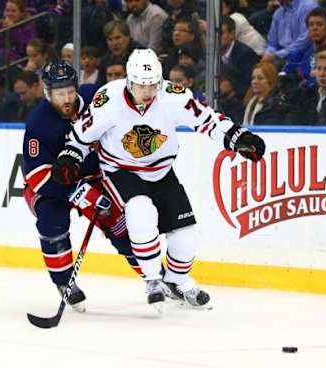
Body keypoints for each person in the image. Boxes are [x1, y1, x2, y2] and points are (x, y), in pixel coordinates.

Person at [53, 49, 265, 308]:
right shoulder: (108, 100)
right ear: (130, 81)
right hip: (122, 171)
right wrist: (69, 159)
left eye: (152, 84)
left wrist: (238, 138)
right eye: (141, 86)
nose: (148, 92)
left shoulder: (173, 96)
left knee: (185, 237)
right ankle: (153, 278)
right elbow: (81, 137)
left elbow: (207, 120)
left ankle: (176, 281)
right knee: (141, 213)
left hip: (162, 171)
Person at [23, 61, 144, 311]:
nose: (66, 98)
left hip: (95, 176)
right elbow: (37, 176)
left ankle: (156, 277)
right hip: (52, 184)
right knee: (51, 221)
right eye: (59, 93)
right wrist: (78, 193)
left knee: (119, 223)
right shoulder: (38, 123)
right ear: (47, 93)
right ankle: (64, 281)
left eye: (69, 91)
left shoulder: (94, 98)